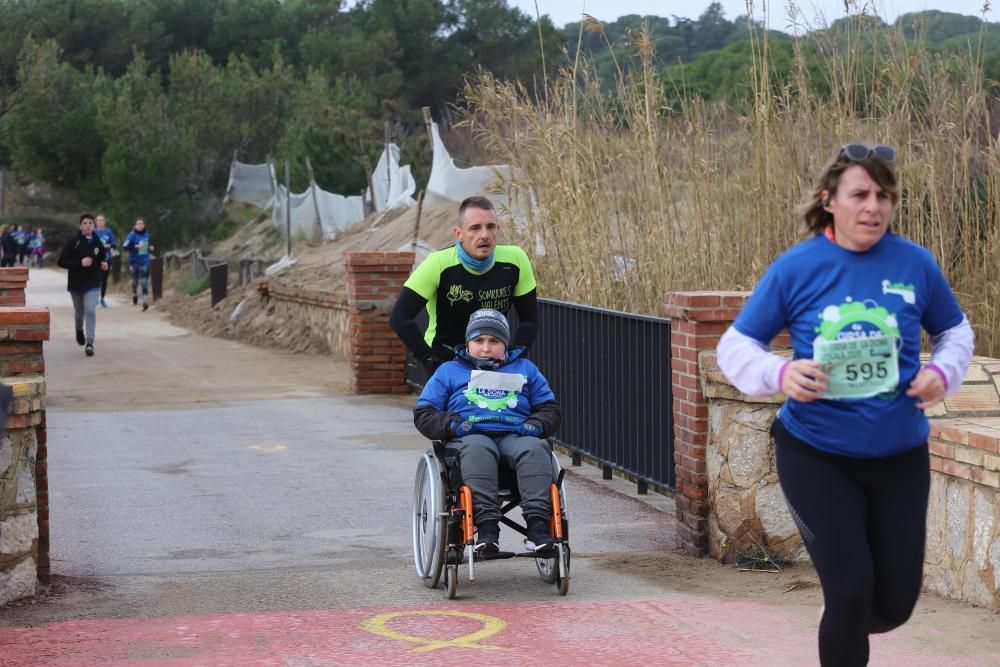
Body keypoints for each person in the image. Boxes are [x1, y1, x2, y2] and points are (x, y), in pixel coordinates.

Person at [716, 142, 974, 667]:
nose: (873, 207)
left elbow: (954, 330)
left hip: (900, 453)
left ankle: (845, 619)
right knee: (851, 587)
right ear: (830, 199)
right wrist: (781, 373)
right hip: (817, 453)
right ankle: (844, 618)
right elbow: (736, 346)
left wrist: (940, 374)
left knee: (896, 601)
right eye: (860, 194)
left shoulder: (914, 263)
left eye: (884, 196)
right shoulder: (798, 268)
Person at [414, 308, 561, 553]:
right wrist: (453, 424)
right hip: (469, 435)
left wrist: (535, 425)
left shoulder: (525, 369)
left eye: (494, 341)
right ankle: (487, 527)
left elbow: (549, 409)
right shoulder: (449, 371)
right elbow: (424, 413)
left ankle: (537, 528)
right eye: (478, 341)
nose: (485, 348)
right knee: (477, 448)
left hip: (516, 435)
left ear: (505, 344)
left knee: (536, 448)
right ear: (468, 343)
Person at [390, 196, 539, 376]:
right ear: (459, 233)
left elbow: (530, 321)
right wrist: (430, 361)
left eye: (490, 227)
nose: (484, 234)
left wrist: (513, 359)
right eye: (475, 228)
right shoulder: (437, 263)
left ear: (498, 229)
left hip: (493, 364)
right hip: (446, 363)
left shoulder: (516, 259)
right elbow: (399, 317)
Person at [57, 213, 109, 357]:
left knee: (90, 310)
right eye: (85, 223)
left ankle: (90, 343)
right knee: (79, 313)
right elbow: (61, 261)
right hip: (76, 283)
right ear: (80, 226)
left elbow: (103, 260)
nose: (88, 225)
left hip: (93, 283)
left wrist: (104, 265)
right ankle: (79, 330)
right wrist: (80, 263)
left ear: (93, 226)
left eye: (90, 223)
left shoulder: (98, 242)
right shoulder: (73, 241)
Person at [122, 218, 152, 311]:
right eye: (138, 224)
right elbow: (125, 247)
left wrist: (150, 247)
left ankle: (144, 301)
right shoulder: (131, 235)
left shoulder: (147, 235)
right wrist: (135, 246)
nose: (140, 225)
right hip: (134, 261)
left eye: (142, 224)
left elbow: (148, 246)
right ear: (135, 226)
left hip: (145, 260)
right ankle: (134, 293)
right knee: (135, 282)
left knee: (144, 281)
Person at [93, 214, 117, 307]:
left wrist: (106, 246)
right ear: (96, 222)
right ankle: (95, 298)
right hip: (95, 259)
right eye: (99, 220)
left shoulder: (108, 232)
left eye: (102, 220)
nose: (100, 222)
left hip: (106, 258)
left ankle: (102, 298)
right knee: (96, 279)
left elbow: (114, 244)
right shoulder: (93, 232)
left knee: (104, 279)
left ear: (104, 222)